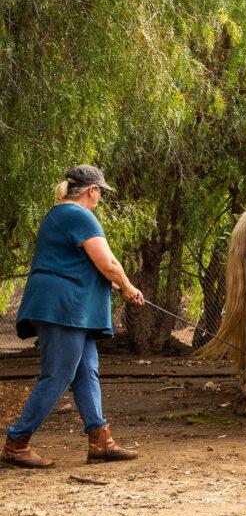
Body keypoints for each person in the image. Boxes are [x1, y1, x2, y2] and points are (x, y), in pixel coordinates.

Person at [2, 165, 145, 469]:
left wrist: (119, 284)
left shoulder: (61, 214)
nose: (101, 199)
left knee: (86, 373)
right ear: (92, 191)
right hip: (64, 308)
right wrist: (128, 288)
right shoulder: (78, 215)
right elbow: (107, 262)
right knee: (58, 375)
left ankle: (101, 442)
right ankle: (16, 443)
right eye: (101, 193)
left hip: (72, 310)